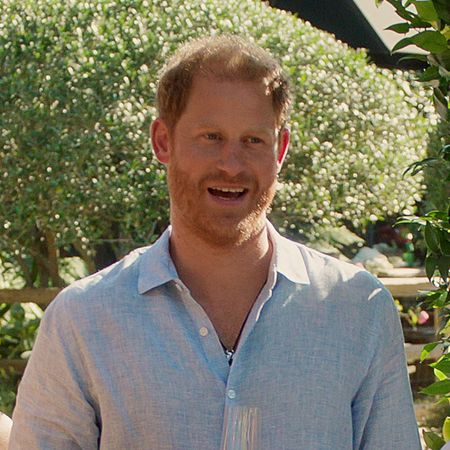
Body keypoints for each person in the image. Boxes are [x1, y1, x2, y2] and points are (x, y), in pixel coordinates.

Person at [9, 35, 421, 449]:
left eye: (253, 140)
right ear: (162, 141)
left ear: (280, 149)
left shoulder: (358, 311)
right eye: (211, 137)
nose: (231, 164)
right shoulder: (83, 322)